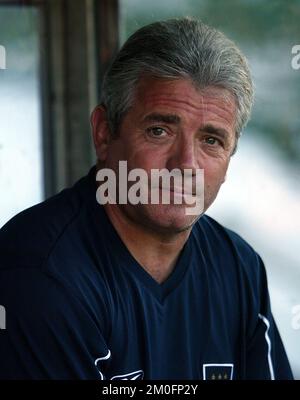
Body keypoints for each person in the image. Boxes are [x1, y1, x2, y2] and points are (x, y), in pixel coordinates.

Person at [0, 17, 293, 380]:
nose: (185, 164)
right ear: (105, 134)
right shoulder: (39, 275)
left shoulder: (238, 267)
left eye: (211, 141)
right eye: (159, 131)